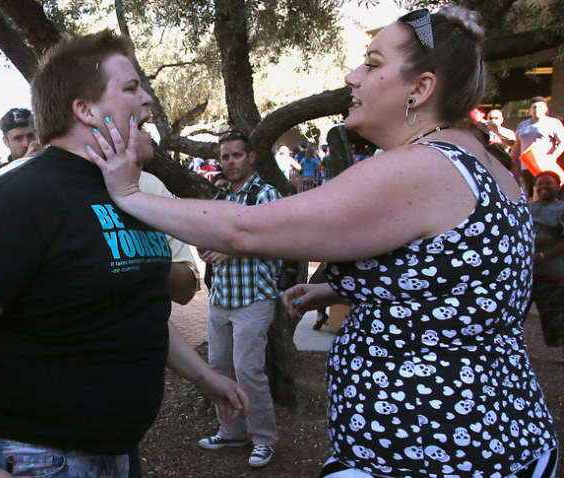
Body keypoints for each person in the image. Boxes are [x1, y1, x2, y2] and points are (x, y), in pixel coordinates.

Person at [89, 6, 559, 478]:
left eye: (373, 64)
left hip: (429, 449)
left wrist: (130, 193)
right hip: (501, 431)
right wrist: (339, 290)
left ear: (420, 88)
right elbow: (460, 278)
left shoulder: (419, 168)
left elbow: (244, 230)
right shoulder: (486, 162)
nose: (353, 77)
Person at [0, 29, 247, 478]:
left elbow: (130, 306)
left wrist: (203, 377)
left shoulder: (127, 193)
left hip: (117, 454)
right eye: (132, 88)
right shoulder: (22, 196)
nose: (149, 101)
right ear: (85, 109)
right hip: (41, 459)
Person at [196, 132, 281, 468]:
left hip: (254, 298)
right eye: (225, 157)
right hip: (221, 298)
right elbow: (208, 240)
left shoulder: (266, 194)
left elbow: (275, 239)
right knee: (219, 368)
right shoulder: (218, 201)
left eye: (236, 156)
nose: (230, 162)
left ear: (251, 158)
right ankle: (232, 432)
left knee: (249, 371)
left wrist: (230, 247)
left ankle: (264, 439)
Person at [528, 170, 564, 353]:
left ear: (558, 187)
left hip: (552, 275)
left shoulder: (561, 210)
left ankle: (556, 360)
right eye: (540, 184)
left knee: (554, 321)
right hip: (525, 274)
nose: (543, 187)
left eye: (548, 183)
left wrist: (543, 255)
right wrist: (532, 239)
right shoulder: (528, 208)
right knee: (515, 317)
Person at [510, 97, 564, 198]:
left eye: (540, 107)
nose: (537, 109)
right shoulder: (522, 125)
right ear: (530, 110)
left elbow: (563, 143)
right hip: (526, 166)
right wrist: (508, 161)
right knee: (530, 195)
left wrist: (553, 157)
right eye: (534, 107)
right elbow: (517, 145)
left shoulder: (554, 123)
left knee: (547, 194)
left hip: (544, 166)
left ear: (546, 109)